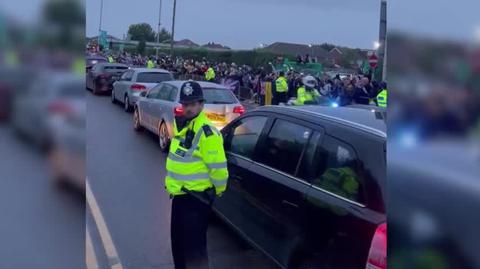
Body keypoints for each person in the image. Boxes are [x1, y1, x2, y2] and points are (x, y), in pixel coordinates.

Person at [166, 81, 228, 269]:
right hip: (179, 197)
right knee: (178, 247)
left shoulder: (208, 133)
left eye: (193, 104)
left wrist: (216, 191)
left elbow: (218, 169)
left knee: (194, 253)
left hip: (196, 200)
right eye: (185, 104)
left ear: (201, 104)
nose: (189, 108)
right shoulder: (184, 127)